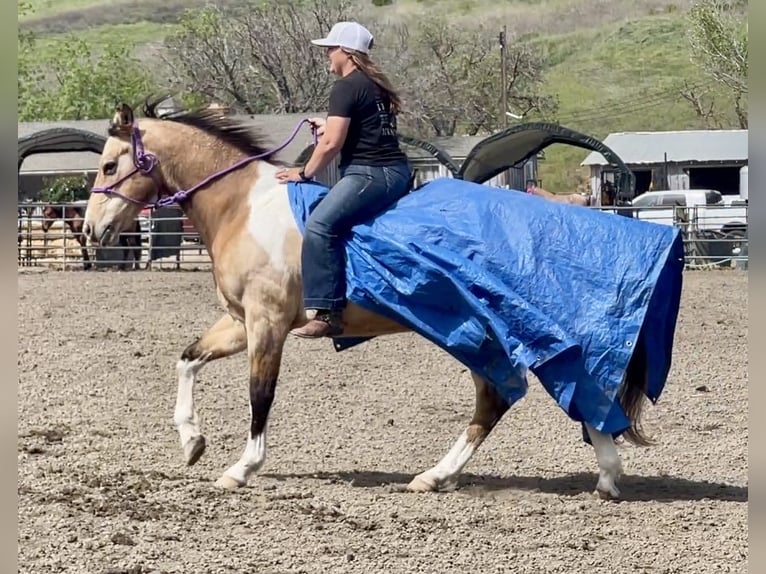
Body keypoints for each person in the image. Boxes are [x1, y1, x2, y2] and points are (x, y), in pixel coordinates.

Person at [276, 21, 413, 338]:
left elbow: (331, 145)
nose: (327, 54)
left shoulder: (346, 87)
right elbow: (362, 129)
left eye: (330, 48)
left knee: (320, 226)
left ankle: (326, 312)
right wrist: (328, 123)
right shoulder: (372, 85)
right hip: (395, 172)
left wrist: (304, 172)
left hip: (369, 174)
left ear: (346, 52)